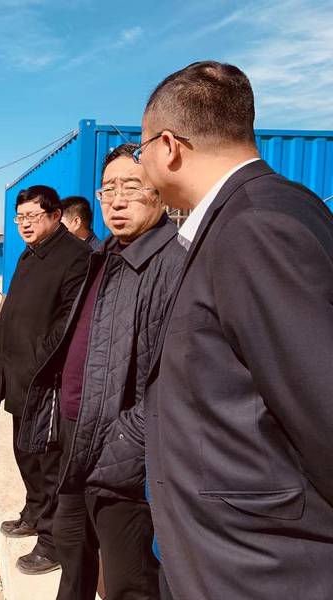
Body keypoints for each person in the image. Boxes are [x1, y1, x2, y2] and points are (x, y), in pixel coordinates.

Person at [137, 61, 333, 600]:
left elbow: (322, 407)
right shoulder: (245, 215)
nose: (142, 162)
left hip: (257, 567)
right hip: (225, 556)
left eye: (141, 148)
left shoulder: (255, 226)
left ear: (169, 146)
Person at [18, 145, 185, 599]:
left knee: (128, 576)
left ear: (160, 193)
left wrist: (119, 448)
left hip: (122, 452)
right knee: (71, 551)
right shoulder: (102, 256)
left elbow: (171, 382)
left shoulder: (172, 265)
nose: (117, 200)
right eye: (108, 189)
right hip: (77, 435)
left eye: (131, 187)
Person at [0, 185, 89, 575]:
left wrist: (37, 363)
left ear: (55, 215)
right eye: (20, 218)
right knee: (25, 453)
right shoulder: (30, 254)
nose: (25, 225)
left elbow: (67, 324)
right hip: (19, 377)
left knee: (50, 463)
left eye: (32, 217)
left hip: (46, 381)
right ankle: (33, 514)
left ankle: (53, 542)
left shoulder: (75, 257)